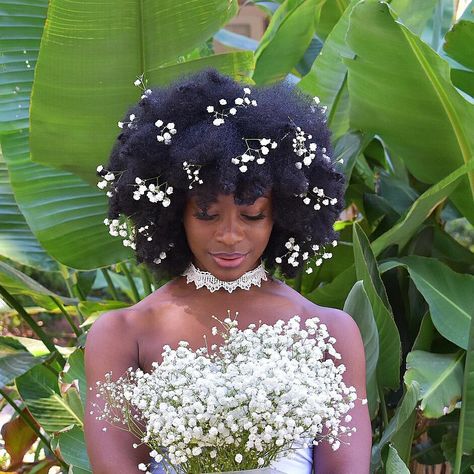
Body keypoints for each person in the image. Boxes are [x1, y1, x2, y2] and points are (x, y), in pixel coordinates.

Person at [84, 69, 371, 473]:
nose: (230, 235)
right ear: (174, 213)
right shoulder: (122, 334)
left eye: (252, 215)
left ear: (281, 216)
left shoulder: (328, 331)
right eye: (207, 213)